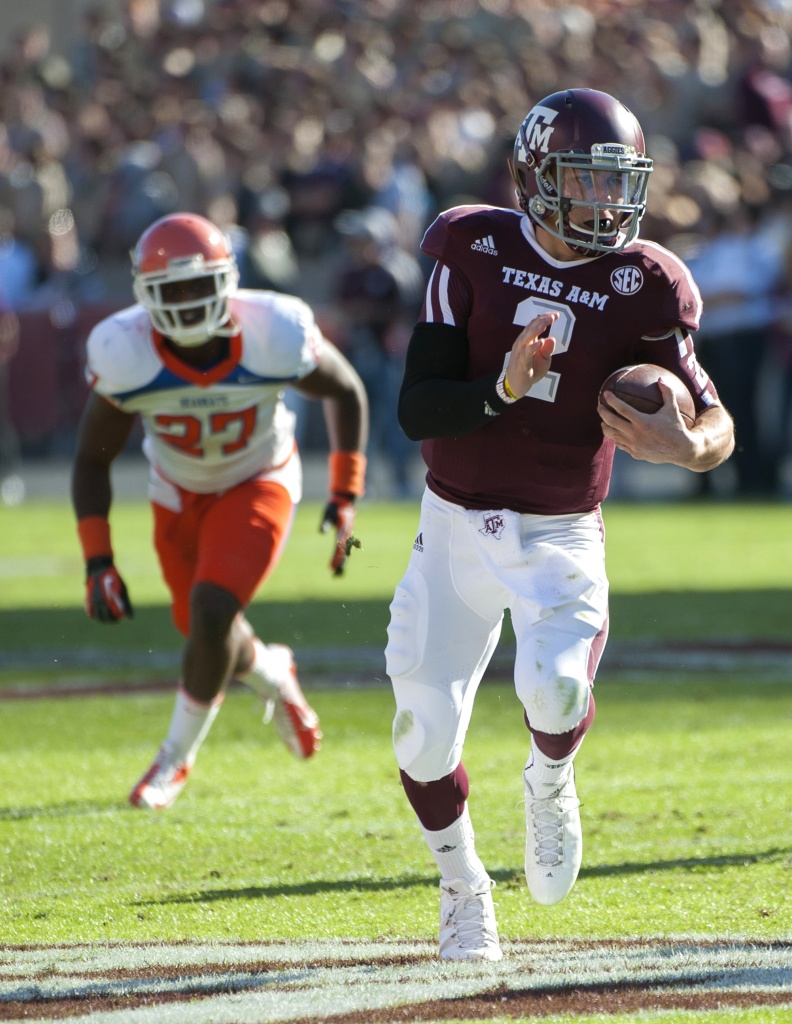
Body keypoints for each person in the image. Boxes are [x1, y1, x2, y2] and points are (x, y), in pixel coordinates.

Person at [385, 88, 735, 961]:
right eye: (584, 182)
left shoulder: (644, 282)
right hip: (452, 527)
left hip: (558, 533)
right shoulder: (471, 245)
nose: (604, 204)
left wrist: (688, 447)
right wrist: (500, 391)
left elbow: (716, 423)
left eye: (618, 184)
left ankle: (549, 780)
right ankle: (464, 889)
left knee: (555, 689)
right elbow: (418, 408)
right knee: (421, 735)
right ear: (537, 177)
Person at [71, 212, 368, 811]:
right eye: (169, 290)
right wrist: (97, 560)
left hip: (260, 478)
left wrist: (345, 493)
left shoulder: (274, 330)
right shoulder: (124, 349)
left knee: (210, 613)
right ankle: (274, 672)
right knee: (207, 633)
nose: (183, 304)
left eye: (196, 287)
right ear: (143, 293)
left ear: (227, 281)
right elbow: (90, 461)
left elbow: (346, 391)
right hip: (177, 491)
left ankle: (173, 760)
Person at [333, 206, 425, 498]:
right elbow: (345, 310)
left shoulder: (395, 270)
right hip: (359, 354)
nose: (357, 248)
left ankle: (401, 480)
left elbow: (405, 312)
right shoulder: (350, 273)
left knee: (395, 419)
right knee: (361, 420)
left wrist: (368, 314)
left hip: (389, 357)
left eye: (362, 241)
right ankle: (363, 481)